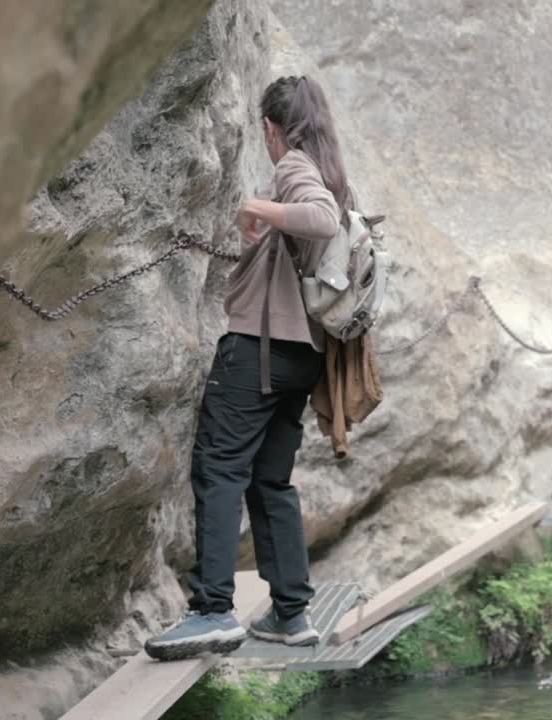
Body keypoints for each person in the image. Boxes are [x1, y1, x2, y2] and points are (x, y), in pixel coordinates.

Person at [145, 75, 352, 660]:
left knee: (218, 468)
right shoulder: (335, 170)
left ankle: (212, 609)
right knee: (270, 481)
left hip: (258, 351)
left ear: (270, 128)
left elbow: (320, 218)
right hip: (302, 357)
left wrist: (252, 205)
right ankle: (290, 613)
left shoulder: (295, 167)